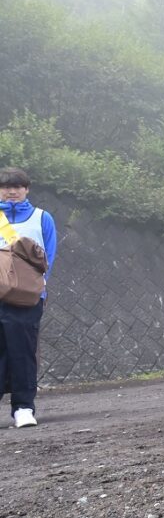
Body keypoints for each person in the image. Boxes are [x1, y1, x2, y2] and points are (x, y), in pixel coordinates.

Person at [0, 168, 57, 428]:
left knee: (23, 350)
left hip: (28, 297)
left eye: (18, 186)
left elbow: (49, 256)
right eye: (6, 186)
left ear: (27, 189)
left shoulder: (42, 217)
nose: (12, 191)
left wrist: (40, 287)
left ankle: (23, 407)